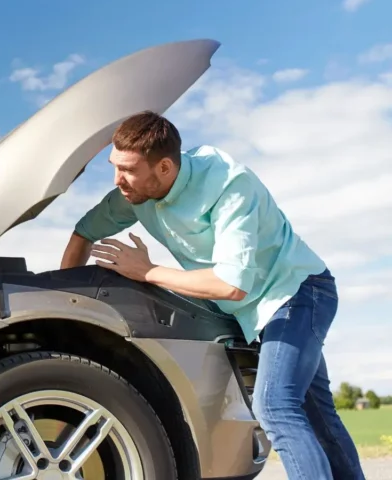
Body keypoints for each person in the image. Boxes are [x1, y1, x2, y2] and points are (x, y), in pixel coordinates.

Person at [59, 111, 364, 480]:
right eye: (114, 166)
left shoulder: (229, 185)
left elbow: (232, 285)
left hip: (297, 291)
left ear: (165, 168)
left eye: (127, 170)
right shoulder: (135, 193)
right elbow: (83, 233)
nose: (117, 180)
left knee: (275, 406)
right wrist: (68, 307)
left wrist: (147, 271)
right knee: (319, 418)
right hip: (254, 311)